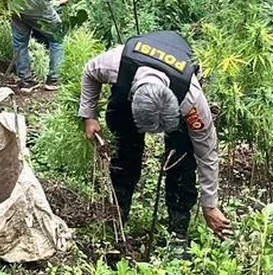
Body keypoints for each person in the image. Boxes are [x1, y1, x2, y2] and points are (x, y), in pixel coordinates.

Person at [79, 30, 231, 241]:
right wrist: (89, 116)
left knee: (182, 160)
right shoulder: (115, 63)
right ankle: (117, 218)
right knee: (125, 153)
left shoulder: (191, 98)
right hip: (130, 91)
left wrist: (210, 204)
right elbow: (89, 72)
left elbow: (207, 152)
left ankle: (177, 233)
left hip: (176, 80)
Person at [11, 0, 75, 93]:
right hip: (36, 4)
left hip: (15, 2)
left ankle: (25, 81)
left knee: (20, 42)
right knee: (57, 37)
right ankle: (54, 78)